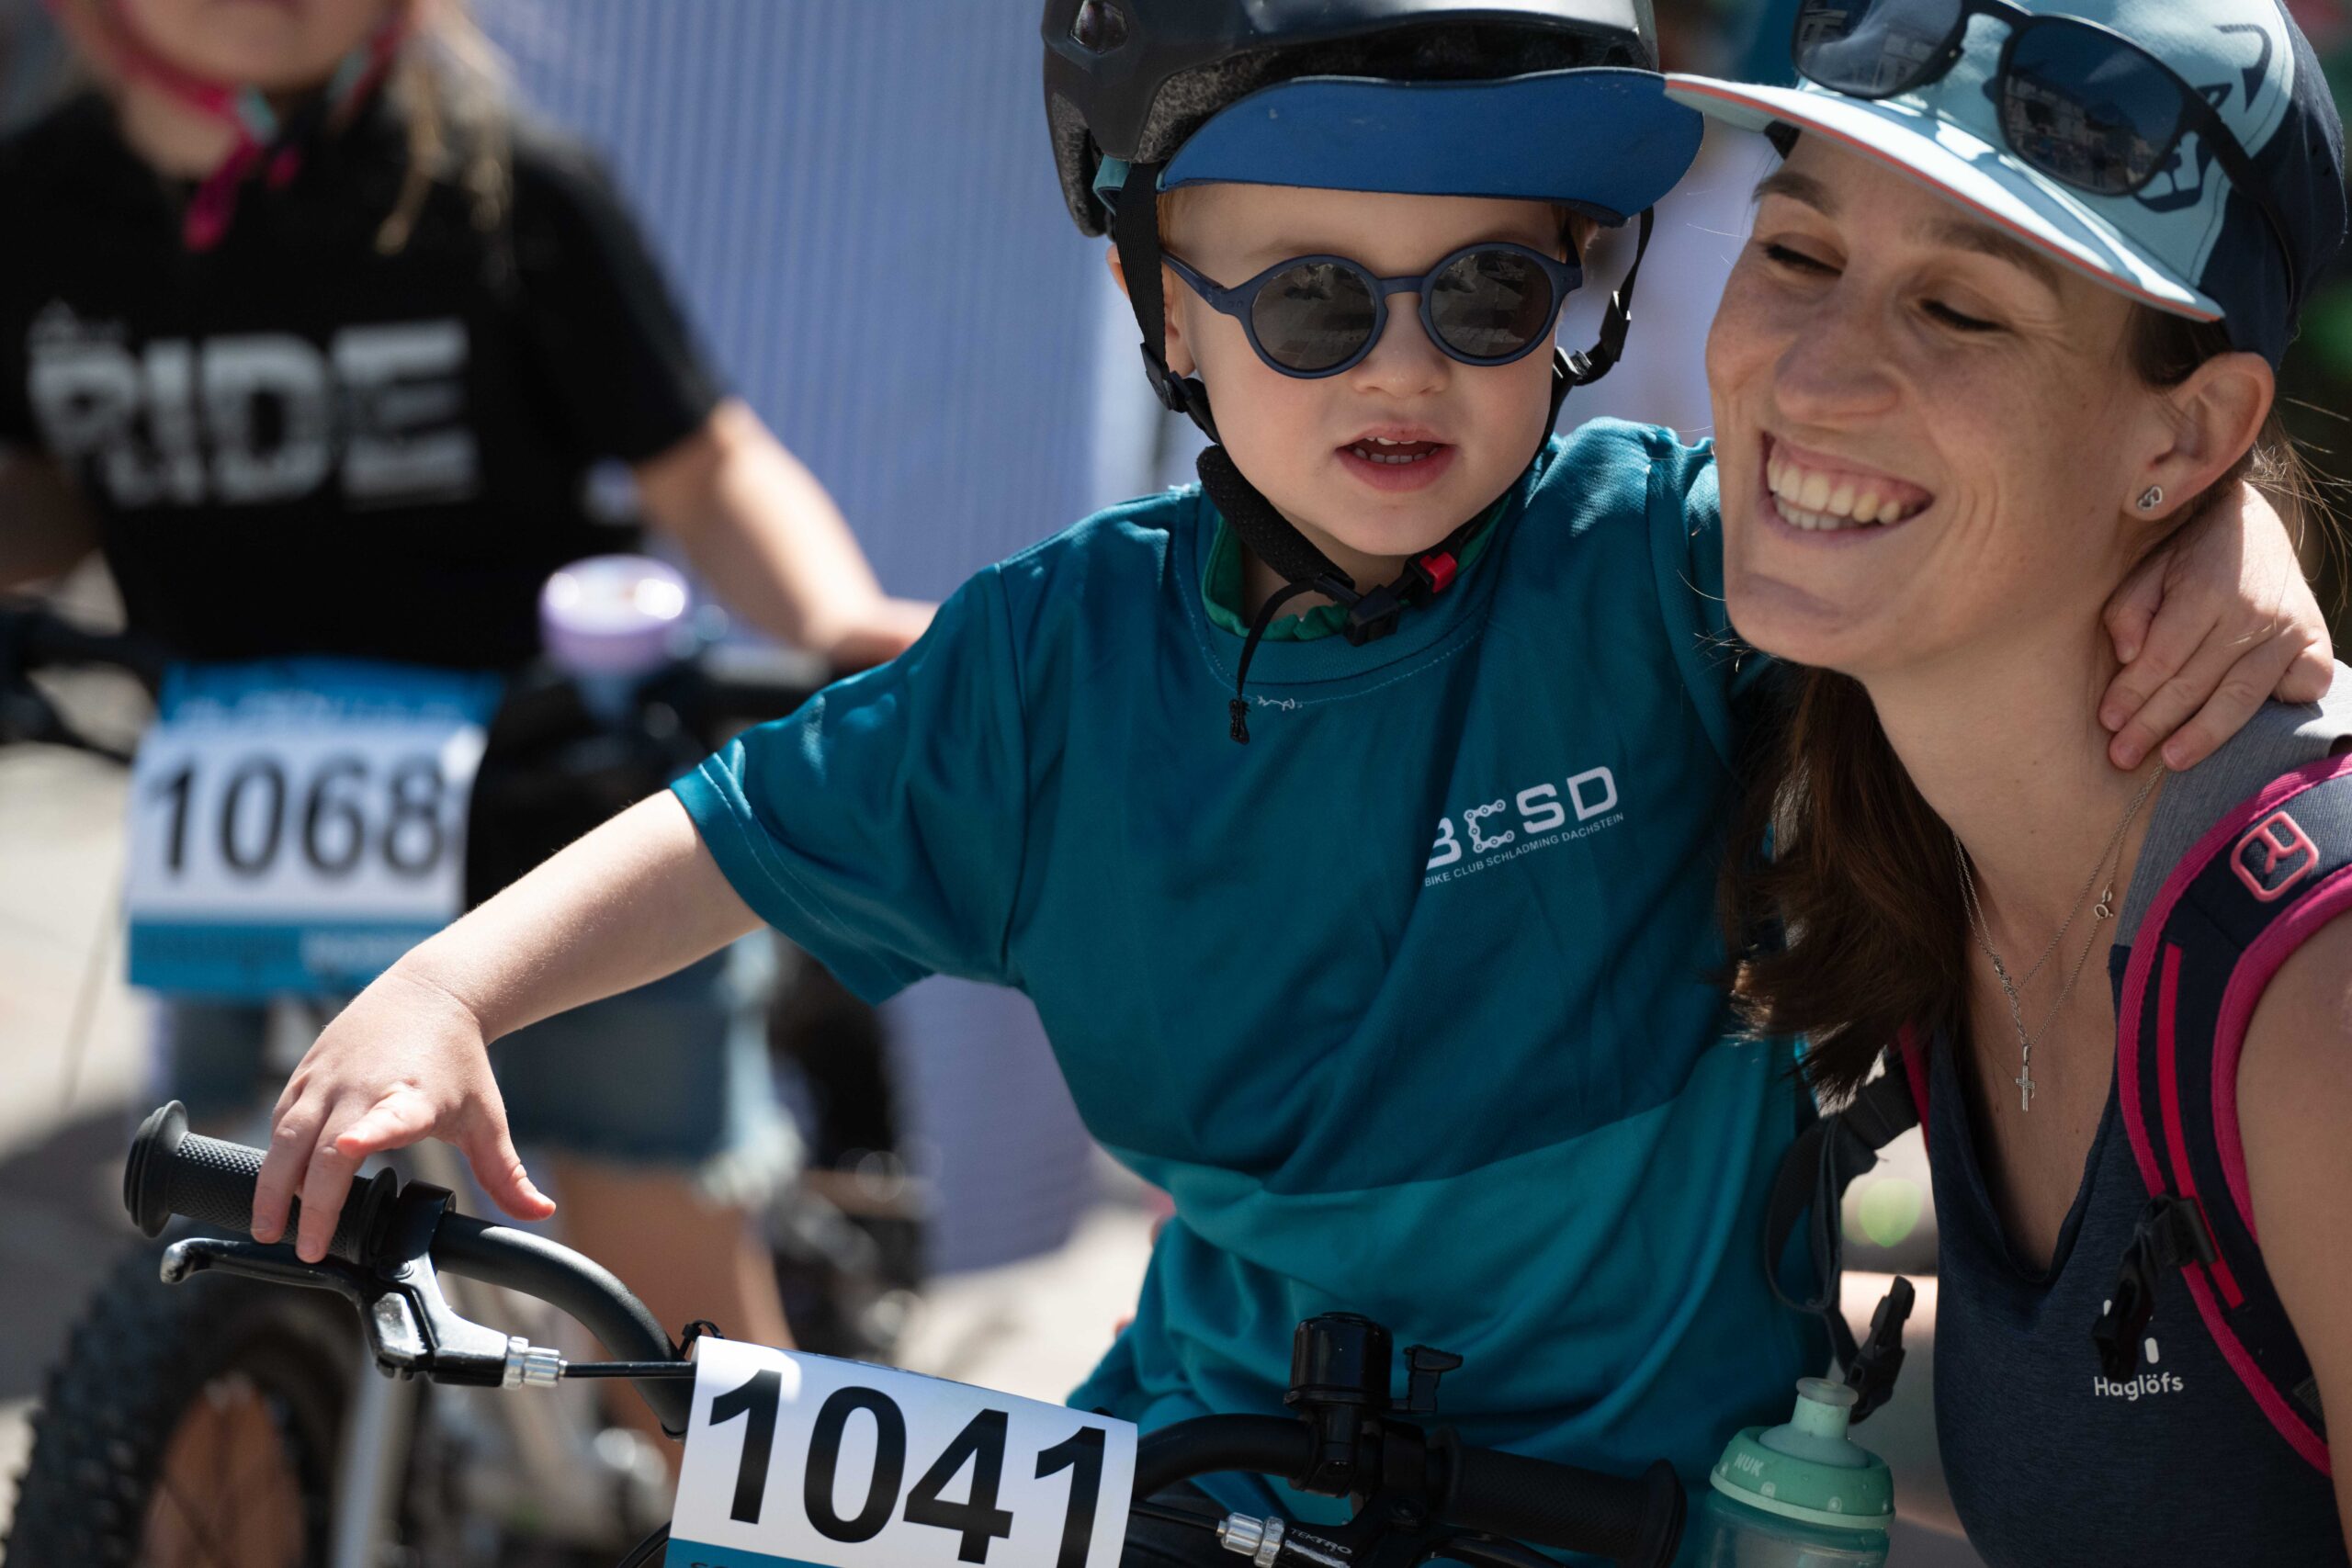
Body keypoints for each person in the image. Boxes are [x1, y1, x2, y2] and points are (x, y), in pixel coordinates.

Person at [250, 0, 2327, 1554]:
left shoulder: (1663, 566)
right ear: (1160, 302)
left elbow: (1964, 539)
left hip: (1619, 1512)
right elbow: (741, 827)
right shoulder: (1054, 661)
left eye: (1491, 291)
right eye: (1315, 304)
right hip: (1200, 1459)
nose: (1405, 365)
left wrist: (2227, 530)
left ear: (1575, 293)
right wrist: (445, 988)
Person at [0, 0, 931, 1427]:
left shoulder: (509, 188)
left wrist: (834, 618)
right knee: (217, 1293)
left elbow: (700, 463)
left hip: (553, 833)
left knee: (667, 1330)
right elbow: (42, 487)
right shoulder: (38, 205)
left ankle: (729, 1509)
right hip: (241, 831)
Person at [1679, 0, 2352, 1559]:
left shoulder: (2314, 987)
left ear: (2190, 439)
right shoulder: (1922, 826)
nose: (1814, 376)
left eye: (1959, 310)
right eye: (1797, 254)